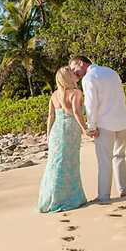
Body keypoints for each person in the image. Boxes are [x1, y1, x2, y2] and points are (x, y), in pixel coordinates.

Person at [68, 56, 126, 203]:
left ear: (81, 63)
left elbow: (91, 105)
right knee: (120, 156)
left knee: (104, 161)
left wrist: (91, 127)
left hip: (104, 124)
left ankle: (103, 196)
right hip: (121, 120)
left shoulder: (88, 78)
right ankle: (123, 190)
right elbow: (121, 96)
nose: (73, 73)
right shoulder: (111, 72)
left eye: (74, 69)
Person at [38, 66, 88, 213]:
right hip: (70, 130)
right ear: (68, 78)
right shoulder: (76, 93)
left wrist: (48, 135)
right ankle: (70, 198)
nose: (75, 74)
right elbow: (78, 114)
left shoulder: (54, 95)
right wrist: (85, 129)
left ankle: (49, 199)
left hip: (56, 132)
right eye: (72, 73)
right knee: (70, 163)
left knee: (55, 163)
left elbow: (51, 116)